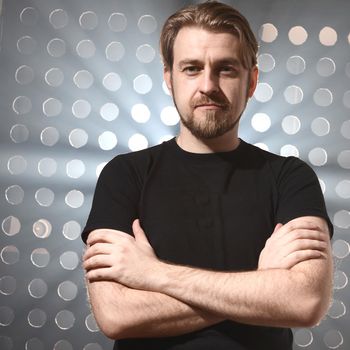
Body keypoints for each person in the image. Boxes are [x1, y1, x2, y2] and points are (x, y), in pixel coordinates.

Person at [82, 1, 333, 349]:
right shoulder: (124, 176)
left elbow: (305, 302)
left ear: (252, 81)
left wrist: (151, 274)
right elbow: (115, 316)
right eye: (192, 68)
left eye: (226, 69)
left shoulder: (291, 177)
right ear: (169, 78)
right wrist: (262, 285)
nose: (208, 85)